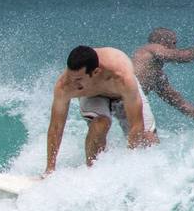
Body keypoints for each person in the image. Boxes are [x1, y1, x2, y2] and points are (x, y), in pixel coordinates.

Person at [46, 45, 156, 174]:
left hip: (122, 93)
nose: (73, 84)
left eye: (79, 79)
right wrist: (49, 169)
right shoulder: (65, 85)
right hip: (92, 97)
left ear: (96, 72)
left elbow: (136, 125)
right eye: (71, 77)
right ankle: (92, 171)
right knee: (100, 124)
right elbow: (56, 127)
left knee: (148, 140)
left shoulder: (122, 77)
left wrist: (130, 165)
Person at [132, 29, 194, 123]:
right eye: (174, 43)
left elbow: (180, 104)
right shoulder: (151, 48)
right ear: (163, 42)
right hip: (122, 97)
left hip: (124, 103)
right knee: (148, 134)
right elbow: (180, 56)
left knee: (146, 134)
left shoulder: (156, 76)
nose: (175, 47)